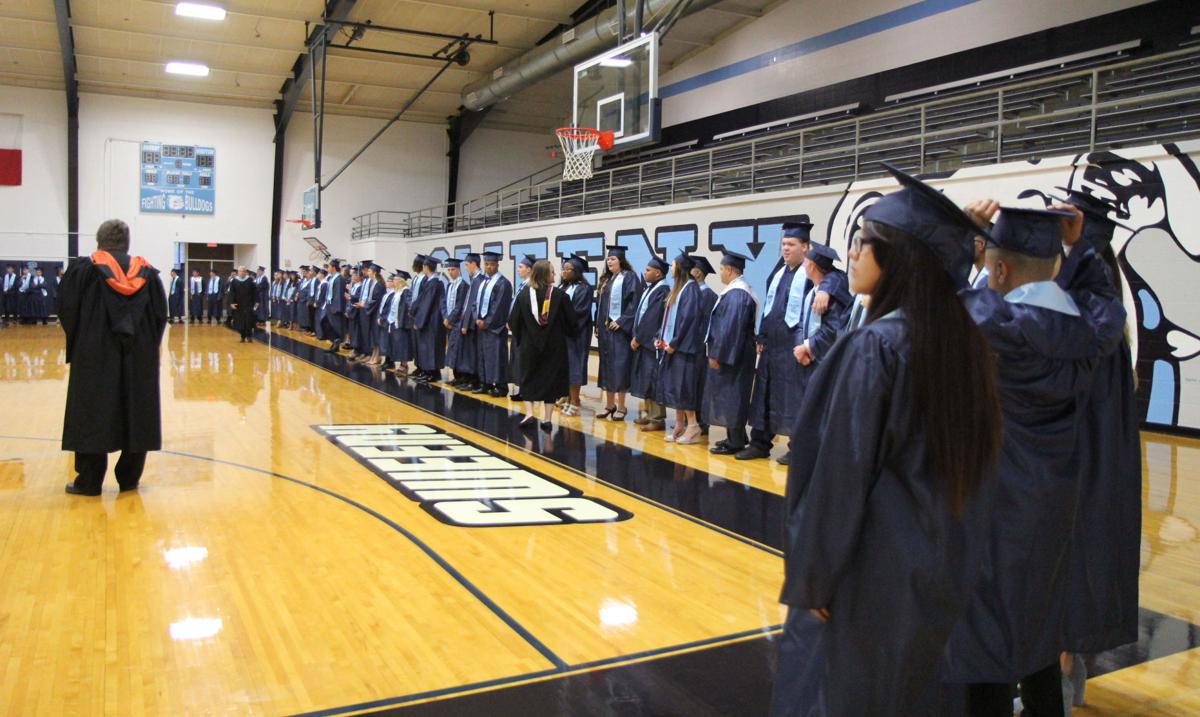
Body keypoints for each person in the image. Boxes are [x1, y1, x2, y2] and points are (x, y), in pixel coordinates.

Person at [771, 164, 1002, 716]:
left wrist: (816, 578)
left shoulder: (877, 347)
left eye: (864, 242)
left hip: (866, 572)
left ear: (898, 258)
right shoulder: (962, 343)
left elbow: (839, 475)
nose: (851, 253)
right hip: (936, 565)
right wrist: (954, 246)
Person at [944, 204, 1127, 717]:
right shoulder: (1090, 331)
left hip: (995, 509)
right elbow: (1104, 304)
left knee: (985, 654)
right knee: (1041, 638)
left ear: (999, 270)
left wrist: (959, 236)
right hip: (1057, 509)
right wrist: (1080, 248)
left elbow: (930, 302)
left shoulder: (1001, 322)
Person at [1053, 187, 1142, 708]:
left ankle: (1064, 670)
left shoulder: (1092, 312)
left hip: (1080, 462)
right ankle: (1063, 666)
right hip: (1078, 457)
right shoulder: (1099, 307)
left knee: (1072, 560)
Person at [58, 219, 167, 495]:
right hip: (138, 354)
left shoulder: (84, 270)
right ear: (127, 244)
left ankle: (90, 481)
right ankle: (129, 479)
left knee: (91, 409)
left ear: (99, 241)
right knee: (136, 408)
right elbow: (159, 317)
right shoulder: (148, 274)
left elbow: (66, 310)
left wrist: (82, 338)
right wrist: (146, 346)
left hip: (94, 353)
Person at [739, 222, 810, 462]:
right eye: (784, 244)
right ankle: (759, 443)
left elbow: (835, 281)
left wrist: (825, 290)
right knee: (765, 394)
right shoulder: (778, 273)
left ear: (806, 247)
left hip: (794, 345)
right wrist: (762, 335)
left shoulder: (811, 273)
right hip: (772, 347)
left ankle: (797, 447)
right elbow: (770, 309)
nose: (786, 249)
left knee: (792, 396)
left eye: (791, 244)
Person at [509, 259, 578, 431]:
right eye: (553, 272)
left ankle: (530, 413)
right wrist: (566, 334)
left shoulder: (523, 295)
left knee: (528, 378)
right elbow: (572, 323)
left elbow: (513, 321)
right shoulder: (561, 296)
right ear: (546, 275)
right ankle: (547, 418)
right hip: (554, 347)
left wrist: (521, 338)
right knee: (550, 381)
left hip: (529, 346)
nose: (555, 274)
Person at [704, 251, 759, 455]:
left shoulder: (738, 294)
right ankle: (735, 436)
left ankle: (735, 442)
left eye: (720, 268)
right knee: (731, 394)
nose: (719, 273)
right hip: (737, 352)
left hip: (734, 354)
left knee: (733, 395)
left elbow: (731, 329)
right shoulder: (736, 291)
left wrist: (718, 354)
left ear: (729, 270)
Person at [654, 255, 705, 444]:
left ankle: (693, 426)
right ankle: (679, 424)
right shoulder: (679, 289)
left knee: (684, 388)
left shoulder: (690, 289)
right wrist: (660, 338)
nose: (672, 268)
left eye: (674, 266)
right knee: (676, 388)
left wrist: (674, 343)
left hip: (684, 349)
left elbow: (687, 320)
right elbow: (668, 318)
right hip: (673, 347)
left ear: (681, 268)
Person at [596, 246, 641, 420]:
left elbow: (634, 303)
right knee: (606, 367)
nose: (610, 262)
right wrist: (598, 325)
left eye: (613, 259)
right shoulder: (607, 279)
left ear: (621, 261)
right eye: (608, 259)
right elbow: (600, 305)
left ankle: (622, 406)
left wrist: (622, 321)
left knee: (620, 367)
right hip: (606, 331)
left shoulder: (629, 277)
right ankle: (609, 405)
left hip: (620, 332)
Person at [629, 256, 671, 430]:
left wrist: (638, 338)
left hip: (651, 343)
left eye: (648, 270)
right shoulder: (651, 289)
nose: (645, 273)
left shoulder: (662, 290)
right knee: (646, 379)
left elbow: (652, 318)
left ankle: (657, 419)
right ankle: (648, 414)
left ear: (658, 273)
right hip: (644, 342)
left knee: (653, 379)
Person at [560, 255, 594, 417]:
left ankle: (575, 400)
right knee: (565, 367)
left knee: (575, 366)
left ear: (577, 271)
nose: (564, 272)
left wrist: (564, 325)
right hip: (564, 333)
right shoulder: (565, 287)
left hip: (577, 334)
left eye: (568, 269)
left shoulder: (584, 289)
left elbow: (579, 312)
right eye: (563, 269)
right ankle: (568, 398)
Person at [474, 251, 512, 397]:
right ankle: (486, 383)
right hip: (482, 326)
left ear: (497, 265)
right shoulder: (484, 282)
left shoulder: (503, 283)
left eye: (491, 264)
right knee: (484, 356)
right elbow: (475, 304)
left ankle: (501, 386)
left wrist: (487, 322)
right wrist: (477, 318)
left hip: (495, 328)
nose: (488, 267)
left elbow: (499, 307)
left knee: (497, 357)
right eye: (486, 264)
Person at [690, 256, 719, 433]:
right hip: (690, 346)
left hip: (699, 348)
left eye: (691, 268)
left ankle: (701, 421)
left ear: (698, 272)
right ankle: (691, 419)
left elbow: (706, 324)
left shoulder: (708, 294)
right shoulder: (692, 292)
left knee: (699, 384)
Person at [452, 253, 486, 390]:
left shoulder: (478, 280)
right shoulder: (474, 280)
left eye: (466, 265)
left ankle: (474, 380)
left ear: (473, 264)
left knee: (472, 354)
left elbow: (472, 304)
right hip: (468, 323)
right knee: (467, 353)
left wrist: (466, 324)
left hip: (472, 325)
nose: (465, 268)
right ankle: (467, 378)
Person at [412, 256, 447, 382]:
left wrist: (419, 321)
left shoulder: (434, 284)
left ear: (426, 267)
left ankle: (433, 373)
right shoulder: (431, 282)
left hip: (432, 321)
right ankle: (427, 371)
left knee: (431, 347)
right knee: (427, 347)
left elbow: (426, 304)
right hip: (430, 320)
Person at [509, 254, 535, 399]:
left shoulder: (531, 287)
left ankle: (525, 390)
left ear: (529, 270)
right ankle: (521, 389)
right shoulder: (523, 285)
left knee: (524, 360)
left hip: (524, 331)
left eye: (521, 267)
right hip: (517, 329)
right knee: (517, 359)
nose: (518, 270)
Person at [441, 258, 470, 379]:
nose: (450, 272)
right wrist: (445, 317)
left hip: (457, 323)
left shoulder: (463, 285)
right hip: (448, 322)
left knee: (457, 351)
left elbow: (459, 305)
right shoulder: (449, 285)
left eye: (452, 269)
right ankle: (455, 376)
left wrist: (450, 319)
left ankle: (459, 376)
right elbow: (443, 302)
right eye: (448, 269)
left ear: (458, 270)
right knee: (451, 350)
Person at [388, 270, 413, 375]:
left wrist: (404, 320)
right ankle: (401, 365)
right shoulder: (397, 292)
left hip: (403, 322)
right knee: (398, 344)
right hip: (395, 321)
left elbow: (407, 307)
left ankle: (404, 365)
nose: (393, 281)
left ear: (400, 281)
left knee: (403, 344)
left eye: (395, 279)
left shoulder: (406, 291)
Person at [227, 265, 258, 342]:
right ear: (238, 272)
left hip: (248, 304)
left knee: (248, 321)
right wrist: (231, 303)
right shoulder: (234, 281)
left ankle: (249, 336)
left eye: (243, 271)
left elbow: (255, 292)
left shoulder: (250, 280)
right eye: (240, 271)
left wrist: (257, 301)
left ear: (245, 272)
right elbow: (231, 293)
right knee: (239, 321)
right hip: (238, 305)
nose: (242, 272)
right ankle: (242, 336)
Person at [322, 259, 347, 352]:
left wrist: (337, 308)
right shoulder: (331, 278)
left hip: (335, 307)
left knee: (336, 326)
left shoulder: (339, 279)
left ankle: (336, 343)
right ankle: (335, 342)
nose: (327, 269)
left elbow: (338, 294)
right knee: (326, 323)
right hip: (329, 305)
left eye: (328, 267)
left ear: (333, 267)